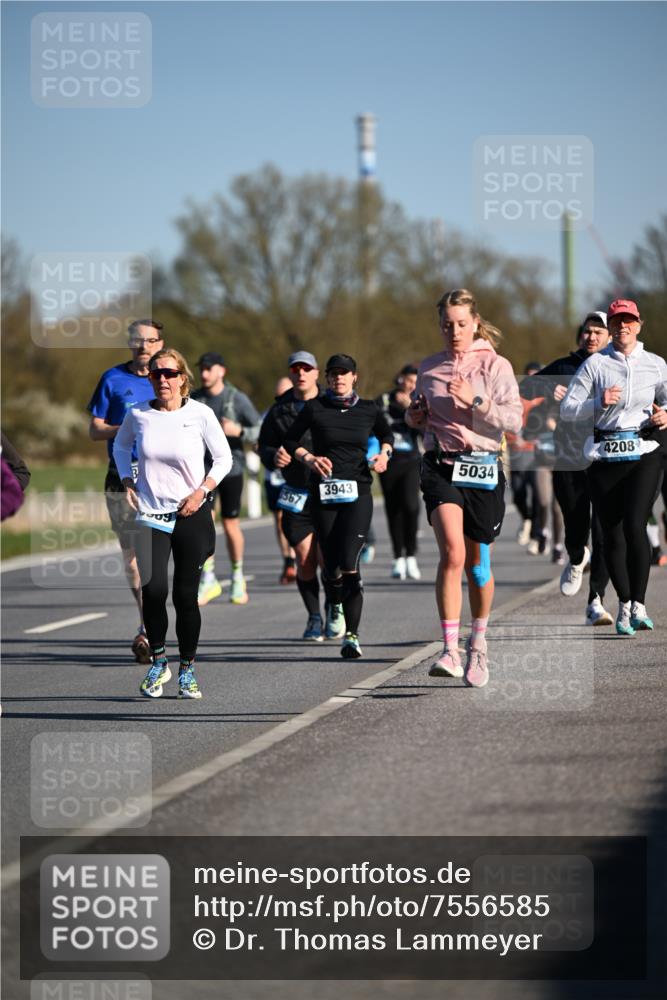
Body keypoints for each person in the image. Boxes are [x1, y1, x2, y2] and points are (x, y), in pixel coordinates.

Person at [406, 288, 522, 687]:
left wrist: (477, 401)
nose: (453, 331)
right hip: (442, 467)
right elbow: (417, 413)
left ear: (475, 323)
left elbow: (515, 421)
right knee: (452, 553)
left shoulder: (495, 365)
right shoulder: (430, 367)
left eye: (460, 324)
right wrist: (414, 415)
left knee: (477, 566)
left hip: (484, 468)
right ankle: (450, 650)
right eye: (446, 325)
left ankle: (479, 646)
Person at [114, 349, 232, 699]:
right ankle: (159, 662)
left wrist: (202, 492)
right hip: (151, 513)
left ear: (183, 377)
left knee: (184, 596)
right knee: (153, 591)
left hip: (191, 513)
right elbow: (122, 448)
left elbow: (223, 458)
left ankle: (188, 669)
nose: (161, 379)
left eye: (168, 373)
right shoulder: (138, 414)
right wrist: (127, 480)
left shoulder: (200, 414)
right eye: (155, 374)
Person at [561, 299, 667, 636]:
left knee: (636, 524)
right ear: (611, 329)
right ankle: (623, 604)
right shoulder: (595, 364)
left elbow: (666, 397)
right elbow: (568, 409)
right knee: (611, 534)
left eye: (628, 321)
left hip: (642, 451)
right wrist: (598, 402)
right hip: (605, 454)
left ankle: (640, 603)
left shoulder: (655, 364)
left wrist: (665, 413)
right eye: (617, 322)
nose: (623, 327)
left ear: (639, 325)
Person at [283, 353, 393, 657]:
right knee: (329, 567)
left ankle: (352, 636)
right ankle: (333, 602)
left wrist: (384, 455)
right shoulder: (315, 408)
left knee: (349, 563)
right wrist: (310, 458)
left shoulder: (369, 409)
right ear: (327, 378)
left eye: (344, 374)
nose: (339, 379)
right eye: (333, 375)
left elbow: (387, 434)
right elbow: (291, 441)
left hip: (358, 492)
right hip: (324, 494)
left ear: (354, 377)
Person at [521, 311, 613, 623]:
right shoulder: (564, 366)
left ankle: (596, 601)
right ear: (580, 336)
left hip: (606, 458)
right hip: (569, 457)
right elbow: (525, 389)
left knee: (603, 532)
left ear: (611, 337)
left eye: (599, 332)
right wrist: (549, 389)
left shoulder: (618, 367)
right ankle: (575, 557)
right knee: (575, 524)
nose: (592, 336)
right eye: (588, 331)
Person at [87, 319, 165, 664]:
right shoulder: (112, 379)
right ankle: (147, 625)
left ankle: (158, 617)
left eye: (150, 341)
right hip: (121, 476)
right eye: (138, 340)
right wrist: (129, 427)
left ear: (160, 344)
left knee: (159, 554)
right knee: (133, 558)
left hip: (162, 476)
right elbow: (95, 430)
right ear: (129, 343)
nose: (144, 346)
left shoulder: (168, 378)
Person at [259, 351, 345, 641]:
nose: (301, 373)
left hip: (330, 491)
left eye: (306, 368)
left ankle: (334, 605)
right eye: (295, 369)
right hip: (296, 492)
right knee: (305, 558)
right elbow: (264, 446)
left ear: (316, 373)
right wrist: (274, 456)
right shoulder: (279, 411)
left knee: (328, 559)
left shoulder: (333, 403)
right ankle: (313, 616)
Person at [191, 352, 262, 606]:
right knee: (204, 525)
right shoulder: (195, 399)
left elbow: (260, 430)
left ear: (222, 371)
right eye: (202, 368)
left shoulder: (236, 398)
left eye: (209, 368)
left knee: (231, 524)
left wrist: (238, 431)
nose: (204, 373)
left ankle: (237, 576)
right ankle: (208, 578)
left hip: (230, 470)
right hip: (201, 472)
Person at [376, 365, 423, 580]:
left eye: (416, 381)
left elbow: (426, 431)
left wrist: (410, 412)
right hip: (388, 461)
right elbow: (371, 427)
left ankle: (411, 554)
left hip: (411, 460)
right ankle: (398, 558)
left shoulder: (420, 402)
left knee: (411, 505)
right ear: (400, 379)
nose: (411, 385)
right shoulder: (383, 401)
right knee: (393, 508)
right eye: (408, 380)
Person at [263, 376, 297, 585]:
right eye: (278, 395)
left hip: (296, 475)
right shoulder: (269, 414)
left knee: (297, 516)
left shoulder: (304, 412)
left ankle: (300, 556)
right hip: (274, 476)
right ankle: (289, 560)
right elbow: (259, 443)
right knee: (279, 519)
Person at [506, 361, 541, 547]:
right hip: (517, 452)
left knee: (537, 494)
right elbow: (506, 421)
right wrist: (513, 438)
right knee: (518, 493)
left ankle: (536, 533)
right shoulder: (516, 398)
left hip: (538, 454)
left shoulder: (546, 399)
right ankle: (526, 518)